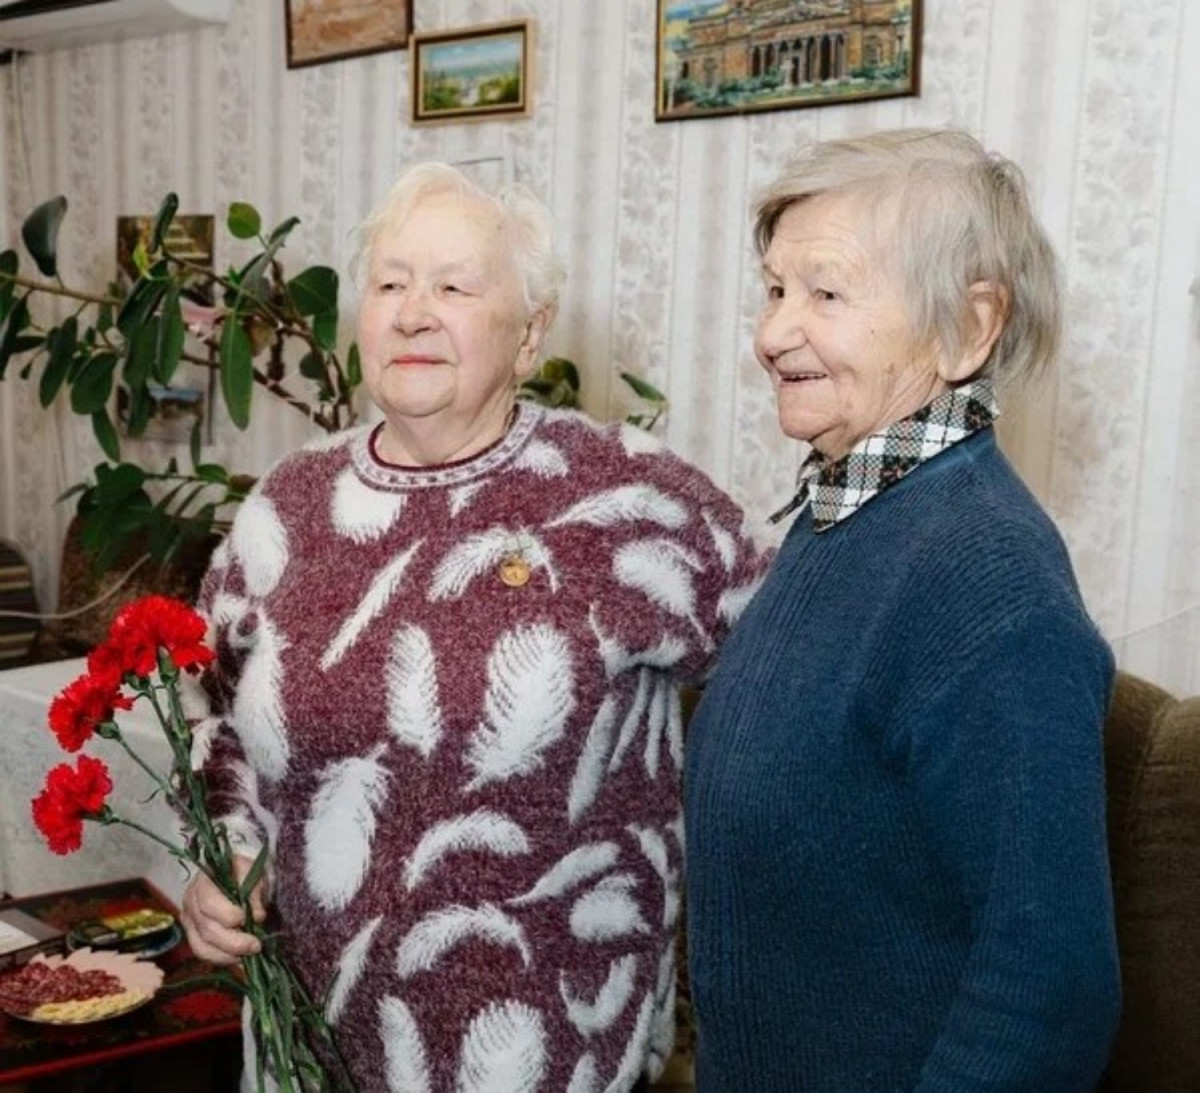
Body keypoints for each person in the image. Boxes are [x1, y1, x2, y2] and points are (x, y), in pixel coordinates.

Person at [179, 162, 766, 1093]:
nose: (414, 312)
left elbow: (803, 673)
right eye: (390, 283)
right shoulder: (285, 507)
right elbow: (208, 706)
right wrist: (228, 855)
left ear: (529, 334)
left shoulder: (631, 499)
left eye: (455, 286)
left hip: (547, 1048)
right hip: (307, 1039)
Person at [683, 128, 1121, 1091]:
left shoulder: (986, 577)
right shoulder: (846, 513)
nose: (771, 333)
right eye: (775, 289)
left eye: (826, 292)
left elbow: (1050, 986)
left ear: (968, 329)